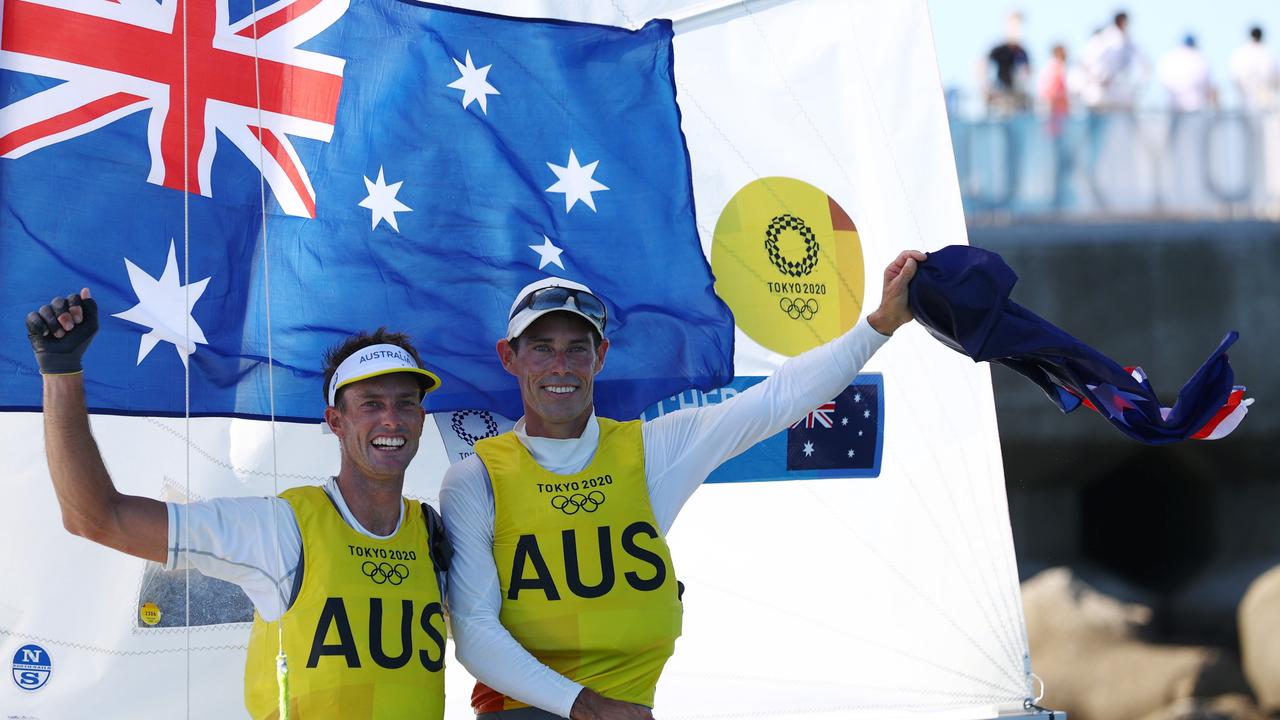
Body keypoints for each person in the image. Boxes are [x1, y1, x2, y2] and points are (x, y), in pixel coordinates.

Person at [441, 251, 927, 719]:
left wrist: (879, 324)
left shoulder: (653, 450)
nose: (561, 367)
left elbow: (779, 399)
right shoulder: (475, 479)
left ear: (601, 356)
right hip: (531, 715)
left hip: (629, 709)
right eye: (542, 349)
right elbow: (476, 633)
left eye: (577, 349)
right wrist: (586, 707)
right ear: (510, 358)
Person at [26, 289, 451, 719]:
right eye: (371, 404)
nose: (391, 419)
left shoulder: (436, 533)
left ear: (420, 418)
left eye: (405, 404)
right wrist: (60, 371)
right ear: (336, 422)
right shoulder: (280, 528)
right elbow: (97, 517)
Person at [986, 11, 1031, 114]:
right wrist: (987, 89)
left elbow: (1027, 72)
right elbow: (983, 66)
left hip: (1017, 98)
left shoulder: (1022, 51)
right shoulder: (999, 50)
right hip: (1002, 97)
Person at [1158, 34, 1216, 112]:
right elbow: (1208, 85)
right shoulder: (1200, 58)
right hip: (1195, 105)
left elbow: (1164, 81)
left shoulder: (1169, 57)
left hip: (1173, 105)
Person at [1229, 25, 1279, 110]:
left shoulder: (1240, 54)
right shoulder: (1268, 54)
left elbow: (1234, 77)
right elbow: (1276, 78)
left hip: (1248, 101)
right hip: (1263, 102)